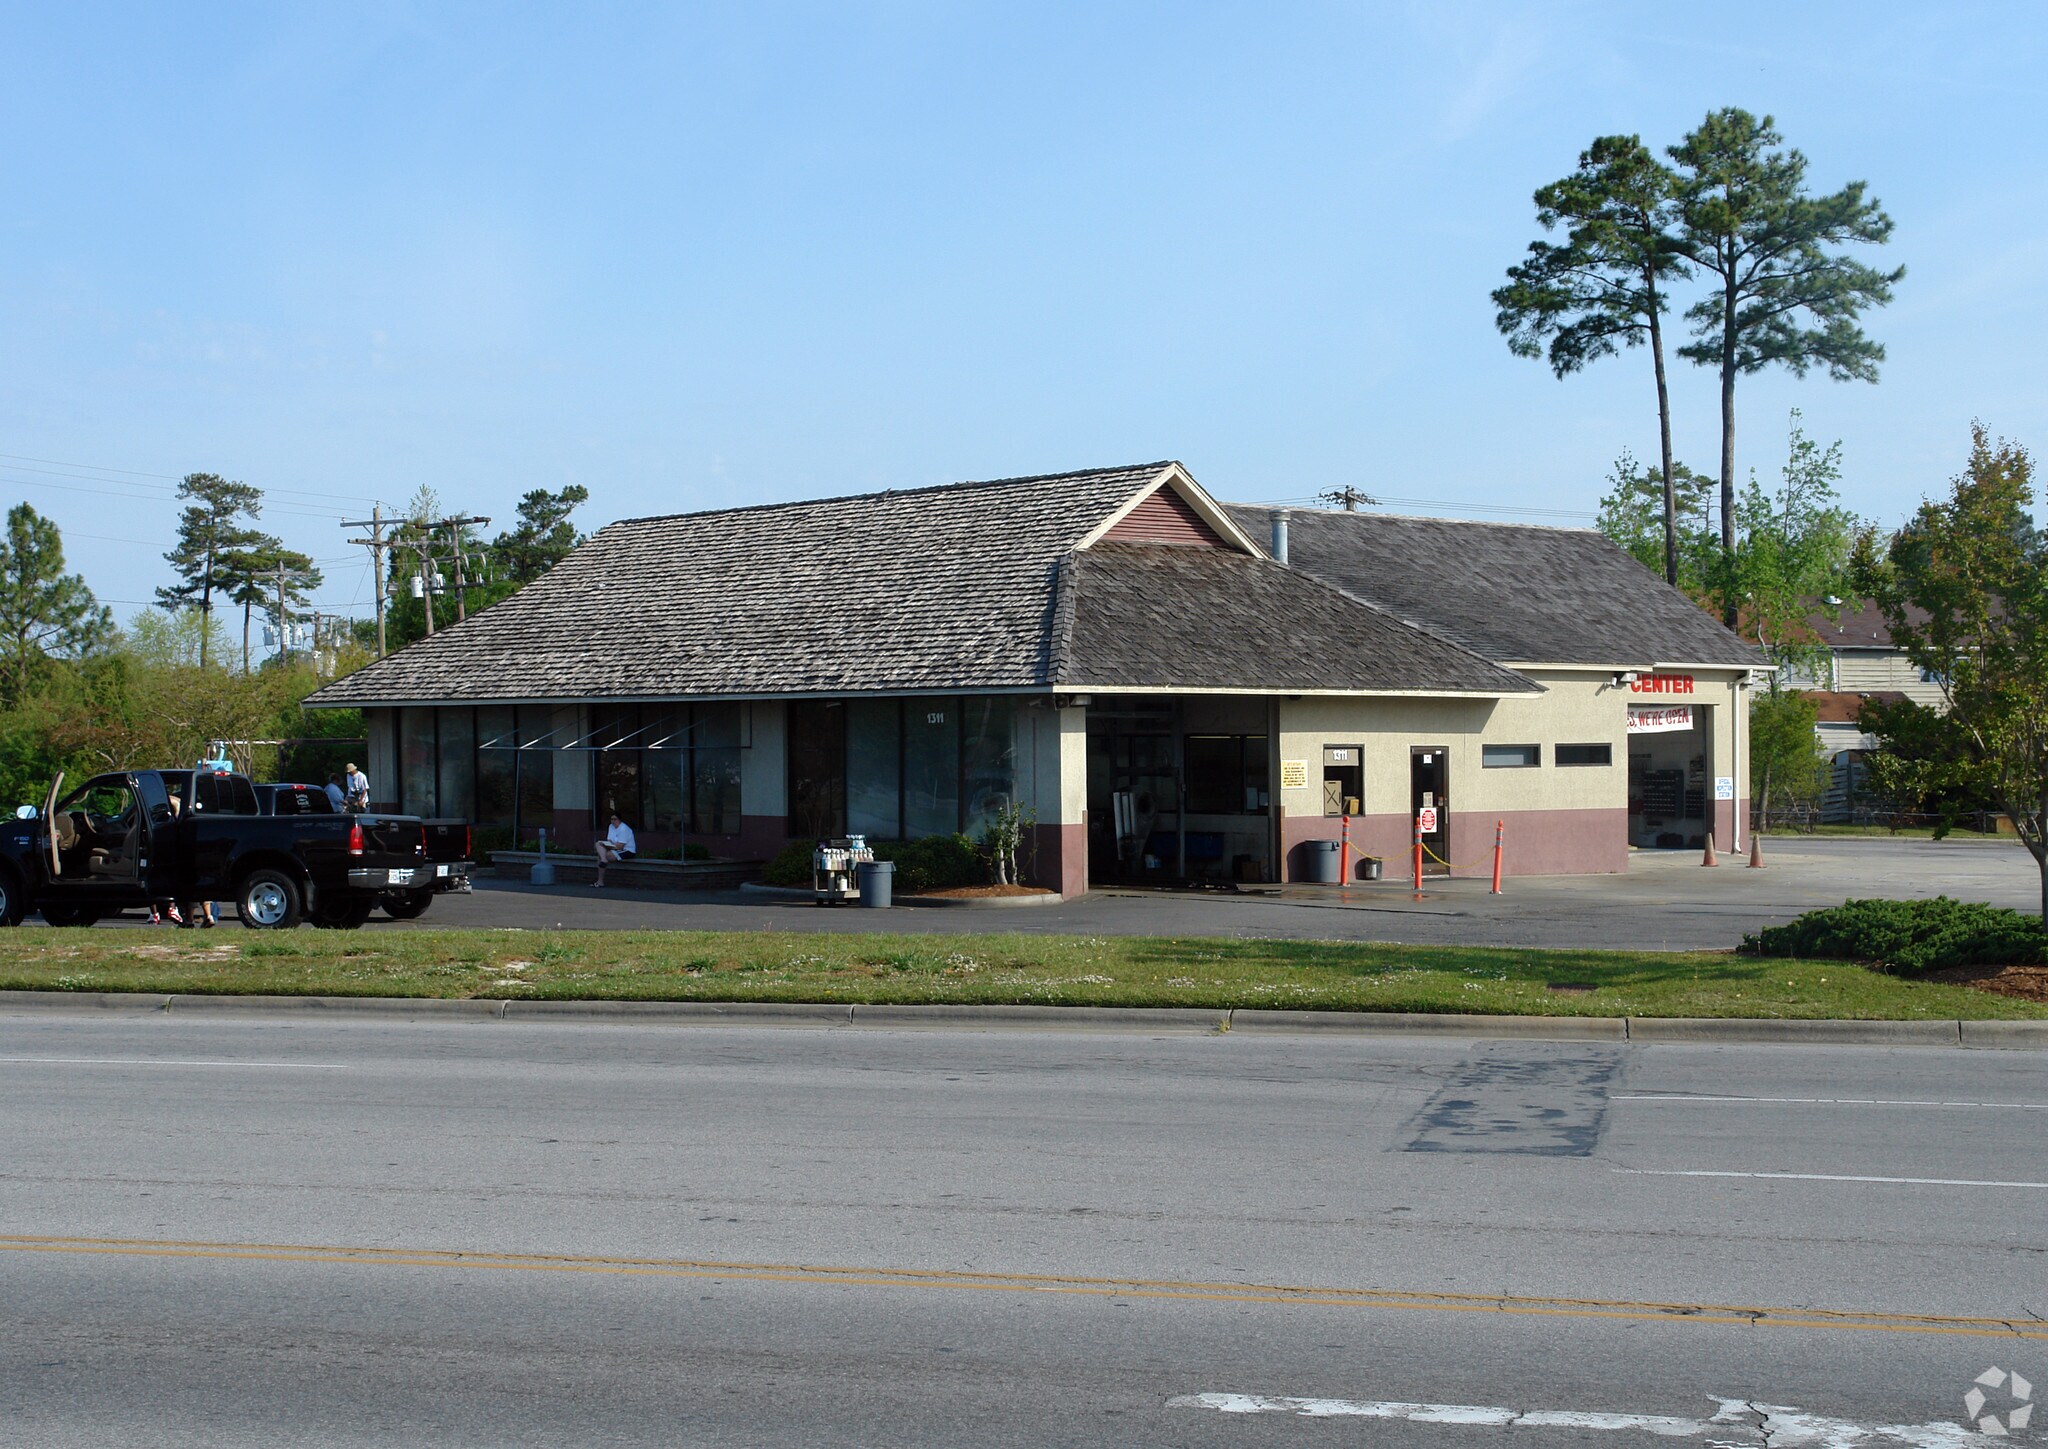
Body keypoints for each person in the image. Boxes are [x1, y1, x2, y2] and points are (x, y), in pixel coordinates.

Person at [592, 812, 636, 887]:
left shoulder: (624, 828)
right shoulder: (611, 827)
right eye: (611, 819)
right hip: (614, 848)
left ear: (619, 820)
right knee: (598, 844)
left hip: (627, 850)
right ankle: (603, 862)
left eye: (615, 819)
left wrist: (610, 846)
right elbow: (610, 841)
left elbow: (620, 846)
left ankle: (600, 879)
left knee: (606, 855)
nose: (613, 821)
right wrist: (606, 845)